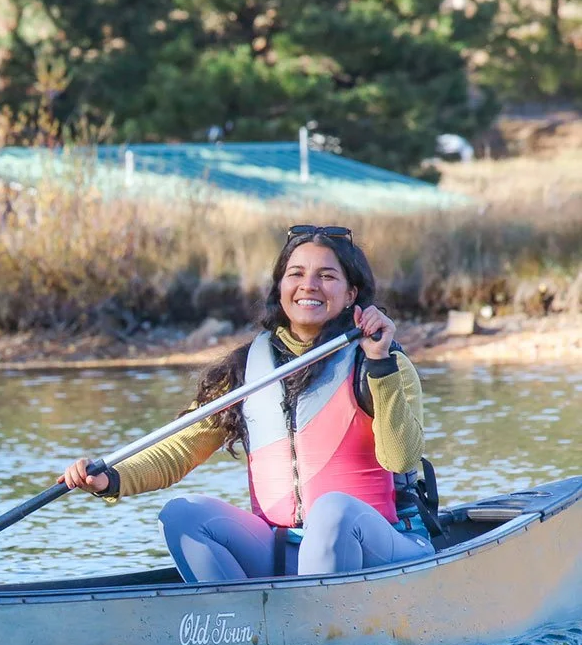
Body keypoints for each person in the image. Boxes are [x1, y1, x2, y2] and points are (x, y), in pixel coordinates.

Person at [59, 223, 435, 582]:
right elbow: (178, 450)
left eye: (327, 276)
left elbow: (401, 459)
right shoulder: (244, 370)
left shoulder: (384, 362)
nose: (309, 285)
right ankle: (241, 631)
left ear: (351, 294)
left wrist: (380, 363)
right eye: (296, 274)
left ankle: (319, 638)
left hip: (379, 548)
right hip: (281, 552)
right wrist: (111, 479)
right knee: (182, 516)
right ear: (280, 286)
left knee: (331, 511)